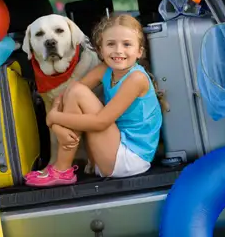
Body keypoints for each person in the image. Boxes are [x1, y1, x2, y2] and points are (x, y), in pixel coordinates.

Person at [25, 14, 168, 187]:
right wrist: (56, 126)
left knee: (77, 92)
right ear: (100, 50)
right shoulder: (105, 69)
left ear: (140, 51)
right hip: (110, 151)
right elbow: (69, 93)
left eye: (127, 44)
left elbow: (100, 122)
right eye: (110, 44)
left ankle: (62, 169)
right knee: (75, 90)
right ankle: (62, 169)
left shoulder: (136, 78)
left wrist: (53, 118)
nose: (118, 50)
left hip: (129, 159)